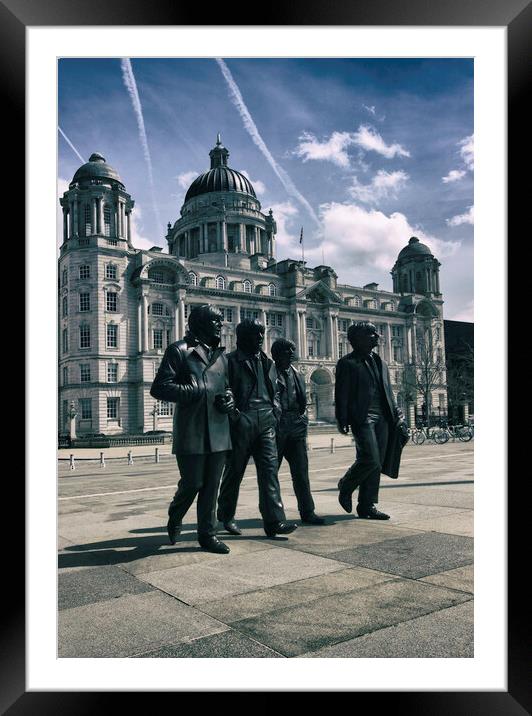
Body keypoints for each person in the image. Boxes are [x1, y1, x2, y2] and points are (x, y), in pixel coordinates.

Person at [150, 304, 234, 554]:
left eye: (221, 321)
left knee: (212, 486)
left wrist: (230, 398)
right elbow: (160, 387)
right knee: (193, 483)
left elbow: (227, 387)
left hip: (219, 430)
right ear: (198, 323)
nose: (221, 325)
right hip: (192, 430)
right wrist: (194, 390)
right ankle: (176, 513)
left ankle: (208, 534)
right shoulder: (179, 350)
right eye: (215, 321)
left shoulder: (221, 356)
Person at [217, 319, 298, 539]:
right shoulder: (229, 361)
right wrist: (235, 416)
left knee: (270, 472)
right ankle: (225, 515)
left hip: (267, 423)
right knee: (235, 472)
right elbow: (223, 391)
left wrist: (275, 412)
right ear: (241, 337)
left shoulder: (269, 363)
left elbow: (276, 393)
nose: (260, 337)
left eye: (262, 333)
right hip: (242, 422)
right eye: (255, 333)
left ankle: (274, 521)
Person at [335, 321, 409, 519]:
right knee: (370, 458)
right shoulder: (347, 363)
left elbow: (389, 393)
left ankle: (367, 505)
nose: (377, 336)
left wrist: (398, 415)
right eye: (371, 333)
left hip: (384, 417)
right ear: (357, 339)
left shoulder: (381, 362)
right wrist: (341, 418)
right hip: (363, 417)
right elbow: (341, 393)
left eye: (376, 333)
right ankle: (346, 484)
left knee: (377, 463)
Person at [271, 338, 325, 526]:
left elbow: (302, 400)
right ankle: (274, 516)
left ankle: (308, 511)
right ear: (277, 354)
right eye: (288, 350)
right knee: (271, 475)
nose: (293, 352)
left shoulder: (298, 374)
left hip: (296, 426)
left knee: (301, 472)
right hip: (277, 427)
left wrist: (303, 419)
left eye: (293, 349)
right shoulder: (268, 373)